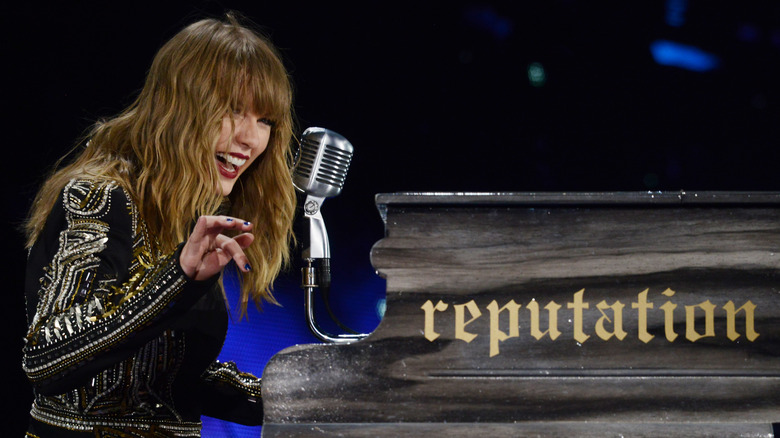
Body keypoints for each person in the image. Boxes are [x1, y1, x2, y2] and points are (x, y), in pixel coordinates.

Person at [21, 12, 296, 437]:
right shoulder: (98, 196)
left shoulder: (189, 210)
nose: (251, 138)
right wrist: (178, 278)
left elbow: (163, 380)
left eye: (265, 120)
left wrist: (310, 396)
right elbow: (48, 360)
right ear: (181, 104)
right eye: (233, 110)